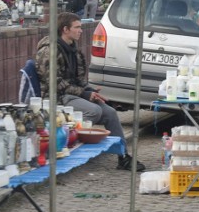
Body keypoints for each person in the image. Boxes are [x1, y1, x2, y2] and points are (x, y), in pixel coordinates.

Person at [36, 12, 145, 171]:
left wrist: (90, 90)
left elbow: (79, 79)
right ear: (65, 29)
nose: (81, 30)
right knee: (94, 111)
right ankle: (68, 143)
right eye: (77, 27)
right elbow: (55, 83)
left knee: (110, 113)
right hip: (57, 97)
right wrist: (85, 94)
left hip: (72, 94)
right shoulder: (49, 51)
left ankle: (123, 157)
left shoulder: (73, 49)